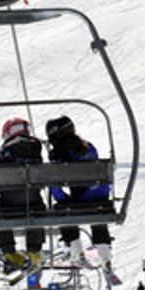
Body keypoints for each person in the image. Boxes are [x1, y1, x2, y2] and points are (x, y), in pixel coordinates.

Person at [46, 116, 114, 271]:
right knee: (98, 215)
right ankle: (105, 255)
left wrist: (62, 200)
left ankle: (76, 252)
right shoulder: (87, 146)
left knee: (65, 212)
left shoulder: (59, 152)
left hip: (82, 197)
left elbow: (53, 180)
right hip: (102, 195)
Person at [0, 117, 45, 274]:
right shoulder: (36, 146)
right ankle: (34, 250)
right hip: (33, 201)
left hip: (8, 203)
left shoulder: (5, 150)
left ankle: (9, 252)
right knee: (37, 208)